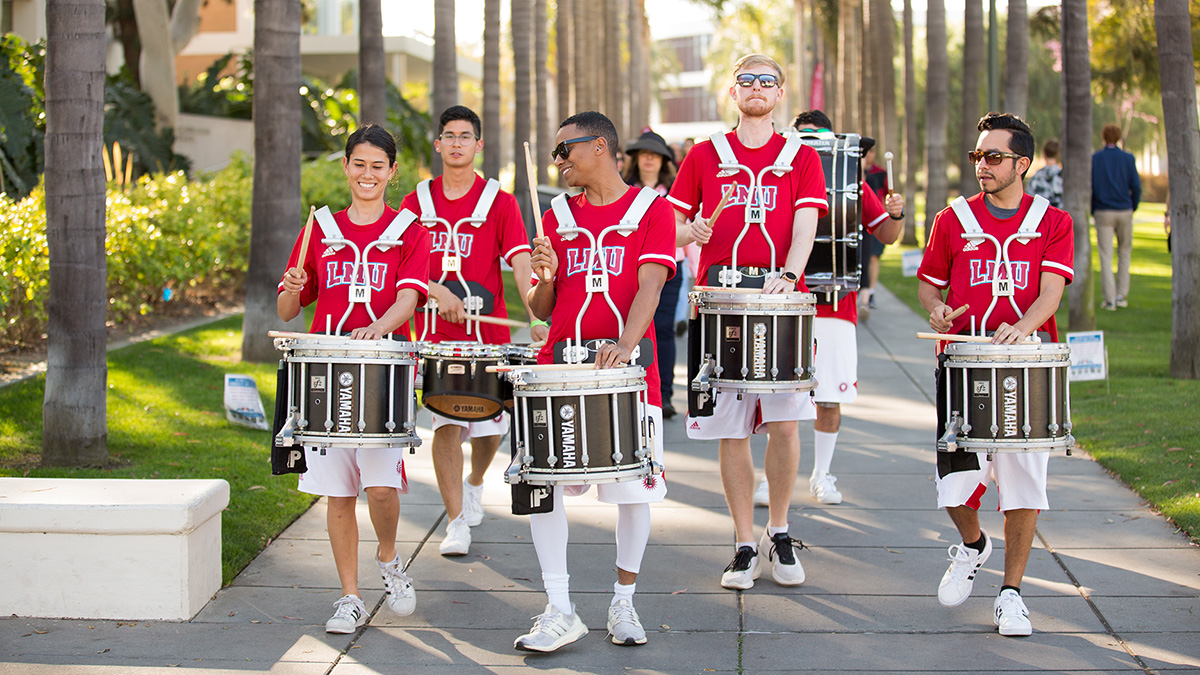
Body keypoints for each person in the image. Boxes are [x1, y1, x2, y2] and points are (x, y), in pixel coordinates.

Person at [515, 110, 676, 652]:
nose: (559, 162)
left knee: (633, 490)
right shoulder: (557, 213)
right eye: (556, 153)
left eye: (567, 151)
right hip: (558, 366)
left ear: (601, 147)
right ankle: (559, 607)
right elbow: (541, 308)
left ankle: (623, 601)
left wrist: (625, 348)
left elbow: (650, 288)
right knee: (544, 486)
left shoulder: (654, 209)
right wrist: (547, 276)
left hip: (627, 373)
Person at [668, 54, 828, 591]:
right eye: (746, 80)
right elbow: (675, 226)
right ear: (732, 92)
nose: (756, 88)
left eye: (767, 81)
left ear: (780, 93)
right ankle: (742, 542)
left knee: (784, 423)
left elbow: (805, 224)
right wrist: (693, 231)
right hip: (722, 299)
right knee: (730, 428)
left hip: (781, 298)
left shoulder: (801, 155)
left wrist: (790, 272)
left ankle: (778, 531)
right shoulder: (705, 154)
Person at [917, 112, 1074, 637]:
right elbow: (930, 288)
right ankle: (972, 545)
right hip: (962, 365)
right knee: (954, 486)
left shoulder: (1053, 221)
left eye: (993, 157)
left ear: (1022, 164)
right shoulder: (952, 218)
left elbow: (1051, 291)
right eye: (977, 156)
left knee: (1024, 486)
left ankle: (1011, 593)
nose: (981, 165)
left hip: (1025, 368)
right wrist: (936, 311)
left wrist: (1023, 327)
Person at [277, 124, 432, 634]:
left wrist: (377, 329)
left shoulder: (410, 229)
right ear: (346, 167)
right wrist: (296, 287)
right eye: (359, 164)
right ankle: (349, 595)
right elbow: (287, 309)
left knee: (381, 489)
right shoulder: (318, 228)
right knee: (339, 493)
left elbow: (408, 298)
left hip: (383, 373)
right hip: (325, 374)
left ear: (391, 172)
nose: (368, 174)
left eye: (378, 166)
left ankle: (389, 558)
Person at [398, 105, 547, 557]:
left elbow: (522, 264)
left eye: (466, 136)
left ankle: (476, 481)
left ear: (478, 145)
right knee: (446, 423)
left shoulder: (499, 202)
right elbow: (397, 265)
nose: (457, 143)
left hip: (489, 338)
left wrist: (537, 314)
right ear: (438, 144)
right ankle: (457, 520)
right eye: (450, 135)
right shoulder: (415, 203)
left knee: (486, 429)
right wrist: (435, 289)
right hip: (434, 338)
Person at [752, 110, 905, 508]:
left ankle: (822, 473)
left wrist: (897, 212)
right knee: (777, 393)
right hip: (784, 299)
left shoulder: (849, 180)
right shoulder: (775, 175)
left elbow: (885, 234)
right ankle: (773, 476)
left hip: (837, 304)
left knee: (829, 398)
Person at [623, 129, 683, 418]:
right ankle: (631, 388)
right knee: (632, 328)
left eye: (655, 155)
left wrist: (697, 271)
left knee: (663, 330)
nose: (649, 160)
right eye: (644, 154)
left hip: (672, 266)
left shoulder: (674, 193)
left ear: (664, 161)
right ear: (636, 159)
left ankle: (665, 394)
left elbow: (687, 229)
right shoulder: (623, 190)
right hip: (632, 268)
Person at [1091, 124, 1141, 310]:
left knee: (1105, 255)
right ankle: (1121, 295)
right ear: (1119, 138)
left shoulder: (1095, 159)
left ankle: (1110, 299)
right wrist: (1132, 206)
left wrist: (1093, 208)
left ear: (1104, 137)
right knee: (1124, 253)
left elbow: (1092, 187)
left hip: (1103, 211)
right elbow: (1135, 185)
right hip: (1124, 210)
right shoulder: (1128, 158)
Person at [859, 141, 889, 313]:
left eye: (870, 152)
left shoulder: (879, 174)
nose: (868, 155)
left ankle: (869, 292)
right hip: (858, 220)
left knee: (872, 257)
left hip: (875, 220)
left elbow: (886, 195)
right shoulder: (851, 170)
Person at [1026, 138, 1063, 208]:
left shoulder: (1036, 176)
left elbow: (1029, 196)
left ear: (1044, 153)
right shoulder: (1062, 176)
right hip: (1057, 216)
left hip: (1039, 214)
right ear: (1058, 154)